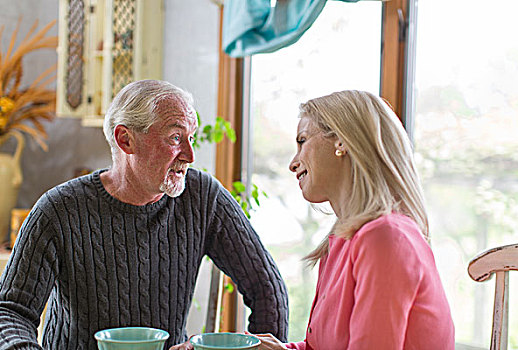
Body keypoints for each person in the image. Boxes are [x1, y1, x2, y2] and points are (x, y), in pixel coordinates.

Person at [0, 80, 289, 349]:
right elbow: (10, 312)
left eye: (191, 137)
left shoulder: (203, 197)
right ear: (126, 140)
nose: (190, 154)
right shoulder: (58, 209)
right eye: (175, 137)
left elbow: (267, 289)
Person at [253, 90, 454, 349]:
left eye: (302, 141)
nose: (293, 163)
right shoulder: (342, 241)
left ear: (341, 141)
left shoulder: (386, 238)